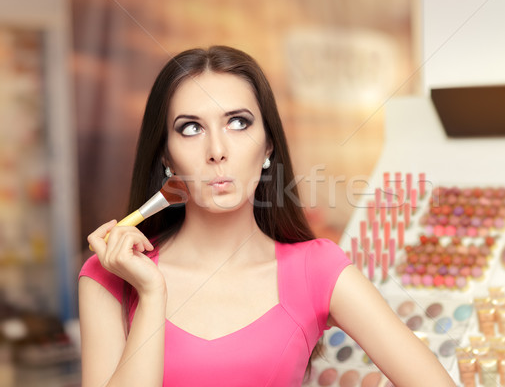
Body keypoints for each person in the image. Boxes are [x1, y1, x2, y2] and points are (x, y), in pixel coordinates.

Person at [79, 46, 456, 387]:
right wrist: (151, 293)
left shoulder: (316, 268)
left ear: (268, 147)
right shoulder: (110, 275)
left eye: (238, 122)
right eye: (191, 128)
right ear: (165, 156)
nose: (217, 150)